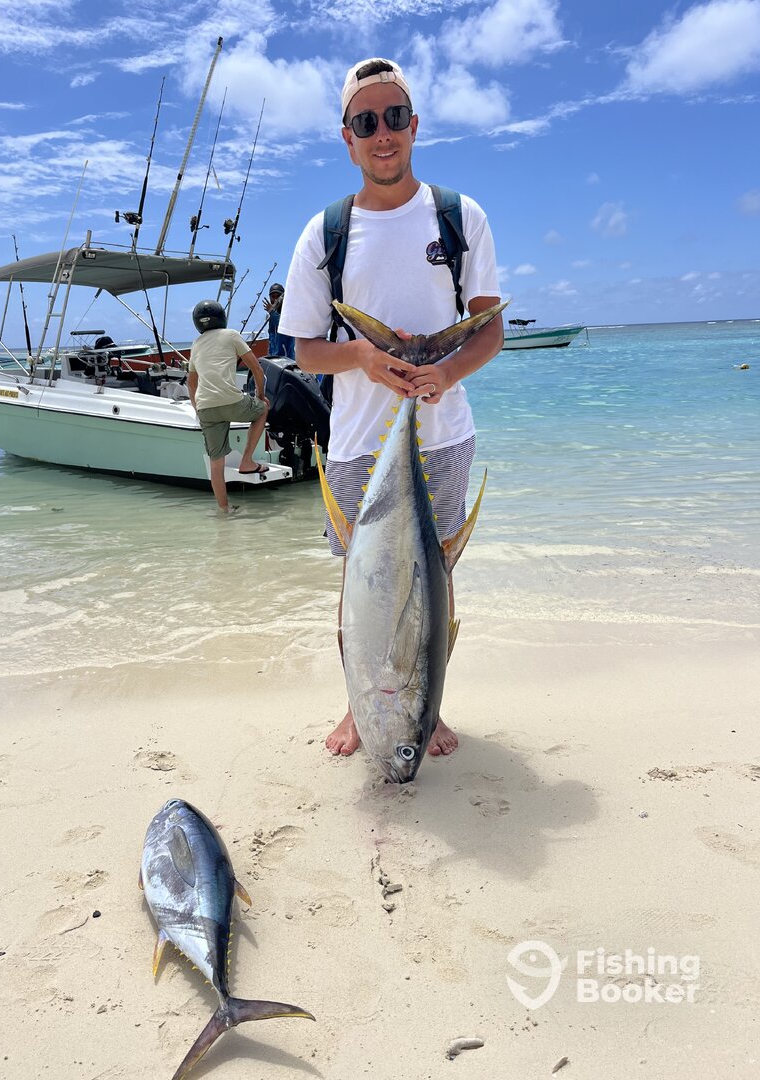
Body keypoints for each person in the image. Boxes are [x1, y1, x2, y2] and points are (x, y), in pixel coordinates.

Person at [278, 57, 504, 759]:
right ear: (347, 137)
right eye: (367, 121)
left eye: (395, 117)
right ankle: (359, 705)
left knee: (435, 575)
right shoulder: (325, 232)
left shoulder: (459, 217)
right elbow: (303, 348)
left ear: (415, 126)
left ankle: (425, 704)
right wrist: (364, 358)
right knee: (362, 576)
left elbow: (490, 329)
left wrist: (445, 371)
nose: (384, 133)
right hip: (355, 440)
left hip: (442, 433)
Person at [187, 299, 270, 512]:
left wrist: (197, 408)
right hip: (232, 401)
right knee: (263, 410)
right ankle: (247, 461)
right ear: (222, 317)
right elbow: (257, 370)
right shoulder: (232, 335)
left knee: (216, 464)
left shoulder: (196, 344)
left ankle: (224, 511)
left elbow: (191, 382)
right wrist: (260, 396)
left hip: (206, 408)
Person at [262, 283, 295, 359]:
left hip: (287, 360)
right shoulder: (272, 315)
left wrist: (272, 312)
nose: (275, 299)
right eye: (273, 297)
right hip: (274, 359)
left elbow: (283, 324)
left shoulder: (288, 312)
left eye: (278, 296)